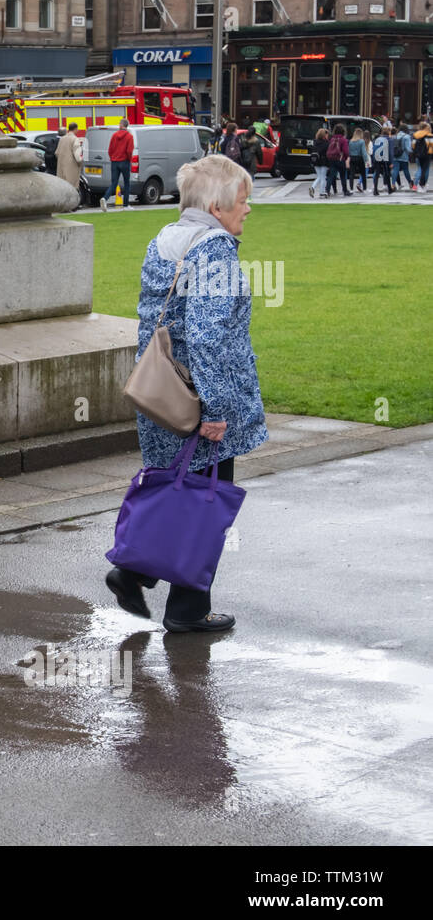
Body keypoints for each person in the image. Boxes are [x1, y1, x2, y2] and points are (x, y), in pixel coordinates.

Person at [106, 154, 267, 633]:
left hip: (162, 392)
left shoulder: (166, 238)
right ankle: (187, 609)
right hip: (198, 399)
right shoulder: (215, 247)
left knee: (179, 491)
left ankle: (135, 572)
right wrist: (216, 409)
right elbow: (206, 334)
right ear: (217, 206)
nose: (248, 209)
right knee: (203, 499)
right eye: (243, 200)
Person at [101, 118, 134, 211]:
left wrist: (112, 158)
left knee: (114, 183)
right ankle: (126, 205)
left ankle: (105, 198)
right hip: (125, 161)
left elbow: (110, 150)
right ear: (127, 126)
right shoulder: (129, 136)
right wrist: (129, 160)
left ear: (120, 125)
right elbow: (129, 151)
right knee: (127, 183)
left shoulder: (114, 135)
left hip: (114, 162)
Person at [55, 124, 82, 196]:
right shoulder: (75, 139)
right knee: (72, 190)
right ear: (75, 129)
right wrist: (81, 162)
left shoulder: (62, 139)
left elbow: (57, 153)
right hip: (72, 169)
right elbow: (78, 157)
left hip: (61, 169)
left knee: (63, 189)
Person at [326, 123, 350, 197]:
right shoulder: (343, 140)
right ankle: (345, 190)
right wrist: (346, 158)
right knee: (343, 175)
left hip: (331, 159)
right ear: (343, 131)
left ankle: (327, 190)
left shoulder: (332, 139)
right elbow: (346, 151)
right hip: (340, 159)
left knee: (331, 175)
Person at [309, 126, 330, 198]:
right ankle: (322, 192)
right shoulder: (326, 143)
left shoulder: (315, 142)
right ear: (324, 135)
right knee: (323, 177)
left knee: (320, 177)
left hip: (316, 161)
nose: (328, 136)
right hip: (324, 162)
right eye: (327, 135)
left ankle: (313, 187)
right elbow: (328, 153)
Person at [371, 126, 393, 195]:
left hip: (376, 157)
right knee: (386, 173)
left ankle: (375, 190)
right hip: (384, 157)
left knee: (377, 173)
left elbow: (373, 149)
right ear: (388, 132)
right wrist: (391, 162)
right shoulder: (389, 140)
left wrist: (373, 159)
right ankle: (389, 189)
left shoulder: (376, 139)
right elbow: (391, 151)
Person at [413, 119, 433, 192]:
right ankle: (422, 185)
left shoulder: (415, 134)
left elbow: (413, 145)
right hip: (427, 154)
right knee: (425, 169)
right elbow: (431, 145)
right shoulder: (429, 135)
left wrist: (415, 152)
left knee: (420, 169)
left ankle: (418, 185)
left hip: (418, 154)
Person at [393, 123, 414, 190]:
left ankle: (393, 184)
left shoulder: (395, 136)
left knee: (395, 170)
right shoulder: (407, 136)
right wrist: (412, 153)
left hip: (395, 156)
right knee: (406, 170)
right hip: (404, 156)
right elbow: (408, 148)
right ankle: (410, 183)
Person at [348, 128, 368, 192]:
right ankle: (364, 188)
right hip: (359, 158)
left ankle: (351, 188)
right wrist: (366, 160)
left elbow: (349, 151)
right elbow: (363, 152)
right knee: (363, 173)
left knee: (352, 174)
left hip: (352, 158)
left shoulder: (350, 141)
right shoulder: (361, 141)